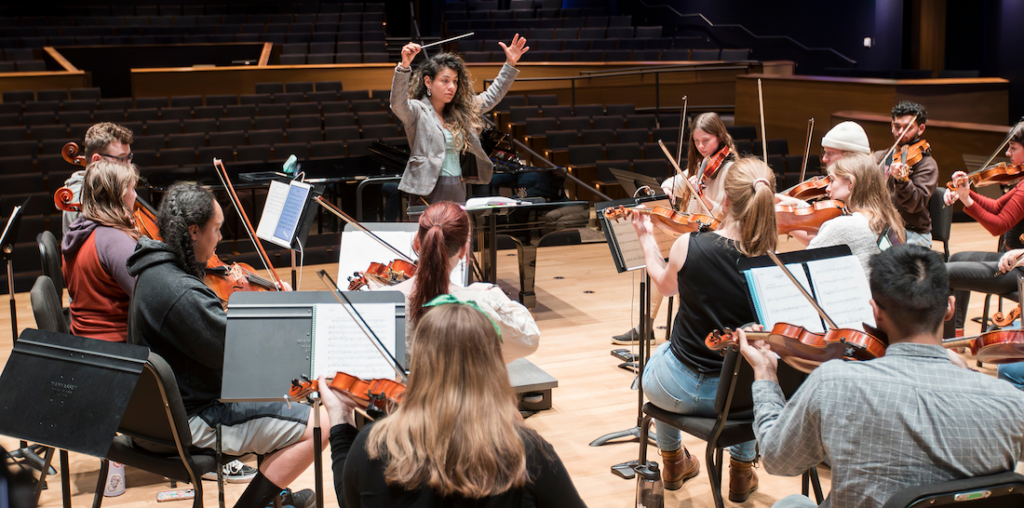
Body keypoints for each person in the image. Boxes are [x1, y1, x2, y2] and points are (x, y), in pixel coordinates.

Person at [738, 244, 1024, 508]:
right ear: (950, 307)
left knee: (792, 503)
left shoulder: (834, 383)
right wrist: (970, 376)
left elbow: (778, 460)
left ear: (876, 313)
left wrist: (765, 374)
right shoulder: (1010, 400)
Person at [127, 182, 317, 508]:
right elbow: (235, 357)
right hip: (186, 421)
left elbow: (212, 336)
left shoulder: (157, 268)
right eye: (216, 230)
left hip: (162, 411)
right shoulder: (180, 292)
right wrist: (283, 317)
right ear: (194, 232)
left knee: (278, 396)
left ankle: (275, 498)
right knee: (319, 424)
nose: (220, 238)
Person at [321, 300, 587, 508]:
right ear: (493, 366)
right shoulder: (526, 451)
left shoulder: (374, 444)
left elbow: (349, 501)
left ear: (421, 364)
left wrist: (341, 420)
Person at [632, 157, 778, 500]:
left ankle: (672, 462)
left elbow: (666, 287)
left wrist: (646, 239)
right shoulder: (770, 263)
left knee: (663, 354)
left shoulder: (689, 245)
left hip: (673, 389)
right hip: (732, 398)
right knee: (754, 370)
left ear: (724, 200)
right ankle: (741, 472)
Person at [611, 113, 739, 345]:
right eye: (697, 141)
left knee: (675, 265)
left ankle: (684, 331)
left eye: (706, 140)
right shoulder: (704, 164)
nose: (701, 146)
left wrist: (703, 198)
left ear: (720, 137)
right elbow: (676, 182)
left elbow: (727, 214)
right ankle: (645, 325)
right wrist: (667, 189)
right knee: (657, 258)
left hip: (714, 238)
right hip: (690, 232)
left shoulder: (731, 169)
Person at [366, 200, 539, 364]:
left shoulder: (383, 303)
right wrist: (495, 293)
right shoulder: (477, 303)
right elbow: (529, 339)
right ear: (464, 249)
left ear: (417, 241)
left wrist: (379, 297)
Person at [391, 36, 529, 204]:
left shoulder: (460, 110)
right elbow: (398, 104)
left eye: (455, 82)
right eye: (445, 81)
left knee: (457, 230)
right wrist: (404, 66)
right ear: (428, 81)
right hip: (426, 189)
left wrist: (510, 64)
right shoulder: (417, 111)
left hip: (457, 185)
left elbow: (492, 95)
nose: (452, 87)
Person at [941, 121, 1024, 338]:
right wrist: (965, 193)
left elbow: (998, 225)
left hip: (1019, 269)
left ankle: (948, 344)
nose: (1007, 153)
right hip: (1012, 261)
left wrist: (967, 201)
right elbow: (997, 207)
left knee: (945, 273)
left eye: (1013, 148)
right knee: (956, 259)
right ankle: (957, 334)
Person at [775, 153, 906, 274]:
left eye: (832, 180)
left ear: (850, 182)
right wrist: (798, 205)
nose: (827, 189)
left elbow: (803, 269)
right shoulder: (887, 218)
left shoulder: (843, 226)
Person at [61, 160, 140, 342]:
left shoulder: (76, 231)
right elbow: (150, 299)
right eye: (132, 189)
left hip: (85, 340)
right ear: (119, 195)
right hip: (117, 348)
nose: (136, 197)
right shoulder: (114, 241)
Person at [873, 101, 937, 247]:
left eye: (908, 127)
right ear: (891, 126)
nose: (901, 132)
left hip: (912, 232)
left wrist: (902, 180)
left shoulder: (926, 164)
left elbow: (915, 204)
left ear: (921, 129)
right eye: (897, 127)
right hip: (882, 228)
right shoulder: (880, 157)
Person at [62, 122, 134, 235]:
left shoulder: (112, 188)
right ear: (97, 161)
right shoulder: (83, 199)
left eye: (129, 157)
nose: (129, 165)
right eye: (122, 158)